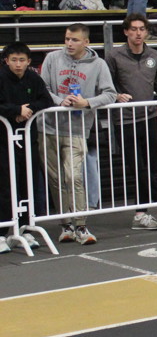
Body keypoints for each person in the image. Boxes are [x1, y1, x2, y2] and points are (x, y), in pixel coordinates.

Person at [39, 24, 117, 245]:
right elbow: (43, 88)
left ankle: (81, 225)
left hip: (78, 129)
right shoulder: (52, 58)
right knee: (55, 179)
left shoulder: (98, 64)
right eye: (67, 39)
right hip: (48, 128)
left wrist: (87, 103)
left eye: (74, 40)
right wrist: (59, 101)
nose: (69, 43)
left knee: (74, 177)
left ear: (86, 42)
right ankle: (65, 225)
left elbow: (110, 94)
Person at [106, 13, 157, 230]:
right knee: (136, 166)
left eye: (142, 29)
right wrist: (116, 96)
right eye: (134, 29)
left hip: (149, 117)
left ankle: (140, 213)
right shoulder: (114, 55)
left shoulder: (154, 55)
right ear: (126, 31)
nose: (138, 33)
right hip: (125, 120)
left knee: (150, 165)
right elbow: (106, 86)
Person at [0, 42, 53, 253]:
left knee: (27, 183)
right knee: (5, 186)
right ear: (6, 61)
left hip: (28, 139)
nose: (18, 64)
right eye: (14, 60)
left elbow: (46, 100)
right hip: (3, 141)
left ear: (29, 61)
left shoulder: (33, 78)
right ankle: (2, 231)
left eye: (22, 60)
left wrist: (28, 109)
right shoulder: (1, 77)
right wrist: (15, 110)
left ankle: (24, 228)